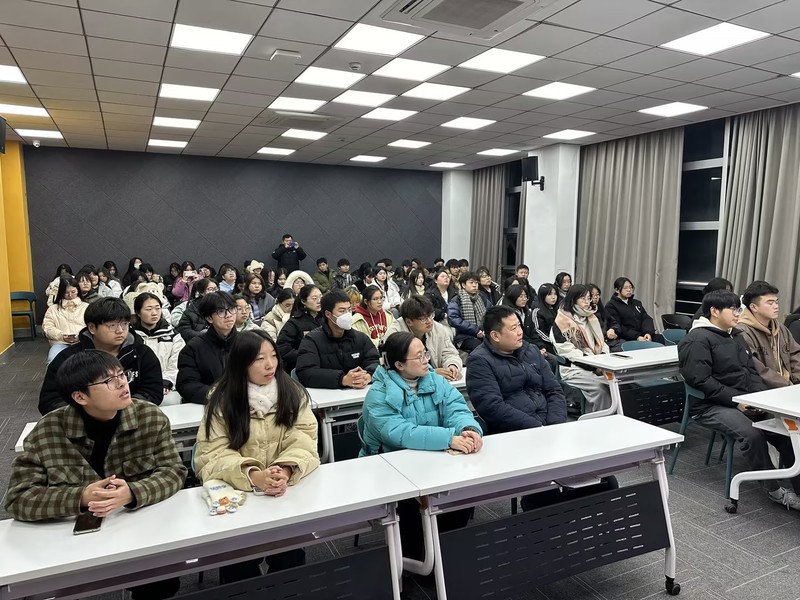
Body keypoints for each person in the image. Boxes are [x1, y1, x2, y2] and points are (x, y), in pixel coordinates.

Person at [6, 351, 186, 599]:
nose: (122, 384)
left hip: (138, 531)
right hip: (69, 543)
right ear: (80, 396)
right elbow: (17, 499)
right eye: (109, 381)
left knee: (160, 584)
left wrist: (132, 493)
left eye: (122, 375)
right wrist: (81, 496)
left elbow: (174, 470)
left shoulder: (149, 417)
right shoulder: (48, 431)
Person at [194, 330, 318, 583]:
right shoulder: (222, 400)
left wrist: (285, 469)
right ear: (241, 363)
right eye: (259, 359)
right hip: (239, 498)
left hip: (284, 494)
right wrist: (253, 474)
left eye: (273, 356)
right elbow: (211, 454)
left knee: (290, 566)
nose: (270, 364)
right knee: (240, 571)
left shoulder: (291, 391)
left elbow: (305, 438)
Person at [358, 331, 481, 560]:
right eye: (419, 357)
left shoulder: (434, 380)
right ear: (399, 365)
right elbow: (401, 433)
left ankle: (445, 556)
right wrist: (448, 438)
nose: (426, 360)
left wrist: (468, 428)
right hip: (391, 466)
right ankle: (412, 563)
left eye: (425, 354)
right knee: (409, 510)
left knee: (459, 498)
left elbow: (456, 408)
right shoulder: (378, 394)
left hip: (434, 459)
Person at [678, 290, 800, 510]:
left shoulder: (735, 335)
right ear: (714, 311)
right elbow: (701, 381)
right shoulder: (696, 339)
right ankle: (774, 490)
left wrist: (756, 399)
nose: (738, 313)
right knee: (752, 434)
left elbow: (751, 371)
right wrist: (736, 402)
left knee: (787, 430)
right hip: (710, 405)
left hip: (743, 400)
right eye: (733, 309)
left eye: (738, 308)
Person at [39, 297, 164, 415]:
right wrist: (90, 414)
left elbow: (152, 391)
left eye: (124, 324)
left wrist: (123, 410)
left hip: (132, 417)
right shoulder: (69, 358)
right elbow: (50, 400)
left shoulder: (142, 353)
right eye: (112, 325)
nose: (120, 330)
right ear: (92, 328)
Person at [466, 305, 566, 433]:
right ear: (495, 336)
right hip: (514, 431)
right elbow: (492, 407)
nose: (520, 332)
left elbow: (554, 390)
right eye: (513, 328)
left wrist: (555, 424)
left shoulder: (531, 350)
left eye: (519, 326)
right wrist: (537, 428)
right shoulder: (479, 361)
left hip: (549, 426)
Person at [295, 289, 380, 389]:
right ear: (328, 314)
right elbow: (306, 372)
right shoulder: (312, 340)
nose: (347, 314)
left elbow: (375, 361)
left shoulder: (360, 338)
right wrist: (342, 379)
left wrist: (368, 375)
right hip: (326, 396)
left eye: (349, 310)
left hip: (358, 393)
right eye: (342, 311)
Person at [550, 284, 613, 412]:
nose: (587, 302)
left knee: (616, 385)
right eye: (583, 298)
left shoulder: (591, 317)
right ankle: (600, 419)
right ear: (573, 299)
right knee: (601, 389)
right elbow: (570, 353)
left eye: (588, 298)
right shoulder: (561, 322)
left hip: (597, 364)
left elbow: (601, 343)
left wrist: (603, 358)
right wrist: (595, 366)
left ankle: (616, 417)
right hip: (574, 369)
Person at [176, 292, 238, 405]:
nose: (228, 315)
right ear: (209, 318)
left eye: (232, 309)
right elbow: (187, 385)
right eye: (221, 311)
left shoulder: (246, 342)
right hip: (208, 406)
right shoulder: (193, 348)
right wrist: (220, 395)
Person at [736, 281, 800, 388]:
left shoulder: (780, 328)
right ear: (754, 307)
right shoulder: (742, 332)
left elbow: (795, 354)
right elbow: (757, 369)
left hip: (791, 386)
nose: (776, 306)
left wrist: (797, 383)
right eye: (770, 303)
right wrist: (787, 386)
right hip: (766, 389)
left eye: (776, 302)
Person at [386, 295, 462, 380]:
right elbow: (394, 369)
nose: (429, 321)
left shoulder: (438, 328)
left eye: (430, 315)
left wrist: (452, 366)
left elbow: (450, 353)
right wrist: (431, 373)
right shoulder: (395, 334)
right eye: (423, 319)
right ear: (409, 321)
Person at [132, 293, 184, 406]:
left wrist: (166, 382)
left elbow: (177, 363)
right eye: (149, 309)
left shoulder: (173, 336)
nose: (154, 313)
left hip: (167, 387)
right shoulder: (131, 337)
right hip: (138, 388)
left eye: (157, 308)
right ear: (138, 312)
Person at [276, 285, 323, 373]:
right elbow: (282, 348)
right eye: (314, 298)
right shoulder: (294, 322)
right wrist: (305, 356)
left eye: (321, 297)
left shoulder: (326, 318)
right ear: (303, 301)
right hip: (303, 367)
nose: (319, 301)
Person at [42, 276, 88, 364]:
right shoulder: (53, 309)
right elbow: (47, 328)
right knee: (53, 360)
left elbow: (91, 326)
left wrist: (80, 336)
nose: (70, 295)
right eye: (66, 293)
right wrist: (62, 336)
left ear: (78, 291)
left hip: (82, 342)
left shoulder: (86, 307)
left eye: (73, 292)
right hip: (60, 342)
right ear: (61, 293)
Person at [604, 277, 664, 344]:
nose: (629, 290)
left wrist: (648, 333)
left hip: (643, 335)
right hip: (627, 338)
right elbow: (618, 326)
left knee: (662, 339)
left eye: (630, 287)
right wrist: (637, 337)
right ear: (617, 290)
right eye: (625, 288)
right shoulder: (611, 306)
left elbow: (646, 318)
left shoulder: (637, 303)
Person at [447, 271, 488, 353]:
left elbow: (490, 312)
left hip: (483, 333)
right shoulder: (457, 299)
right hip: (464, 336)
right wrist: (475, 330)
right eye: (471, 282)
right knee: (481, 349)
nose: (474, 285)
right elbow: (453, 319)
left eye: (476, 283)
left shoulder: (481, 297)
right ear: (463, 285)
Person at [587, 283, 621, 351]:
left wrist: (612, 329)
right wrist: (606, 334)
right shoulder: (585, 313)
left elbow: (615, 323)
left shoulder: (602, 310)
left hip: (609, 342)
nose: (595, 297)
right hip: (596, 344)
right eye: (592, 295)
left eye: (597, 294)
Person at [531, 283, 558, 354]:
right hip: (546, 343)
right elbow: (538, 330)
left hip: (557, 341)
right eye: (550, 294)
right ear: (543, 296)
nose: (553, 297)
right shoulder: (538, 311)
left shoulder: (556, 309)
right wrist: (552, 340)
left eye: (555, 294)